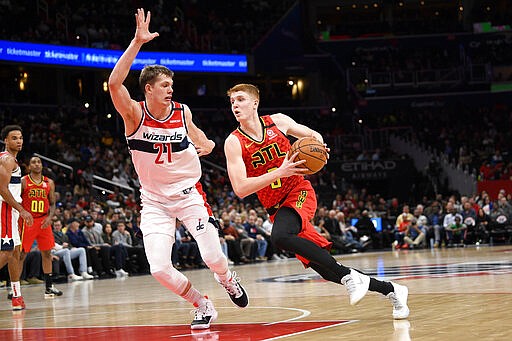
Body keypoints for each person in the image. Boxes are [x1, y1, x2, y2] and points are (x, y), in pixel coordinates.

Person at [108, 8, 247, 329]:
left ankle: (226, 278)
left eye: (172, 84)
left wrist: (208, 144)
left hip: (188, 194)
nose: (171, 89)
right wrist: (137, 42)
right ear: (149, 89)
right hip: (154, 201)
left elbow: (201, 139)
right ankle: (202, 303)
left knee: (212, 256)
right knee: (158, 267)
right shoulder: (134, 115)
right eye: (165, 85)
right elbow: (115, 83)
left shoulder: (182, 111)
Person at [224, 84, 409, 319]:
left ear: (255, 103)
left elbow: (313, 136)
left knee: (279, 237)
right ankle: (392, 290)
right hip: (275, 207)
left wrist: (319, 149)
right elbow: (240, 188)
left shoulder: (277, 122)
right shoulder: (234, 142)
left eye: (240, 99)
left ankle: (350, 277)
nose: (235, 105)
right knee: (326, 269)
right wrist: (280, 171)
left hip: (298, 191)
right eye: (232, 102)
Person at [17, 156, 63, 299]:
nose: (37, 164)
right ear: (29, 166)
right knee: (21, 254)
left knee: (47, 254)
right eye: (33, 162)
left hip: (43, 221)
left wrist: (50, 218)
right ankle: (15, 288)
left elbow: (53, 203)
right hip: (28, 221)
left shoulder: (49, 182)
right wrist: (22, 213)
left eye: (39, 162)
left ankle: (49, 287)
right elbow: (16, 201)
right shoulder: (23, 181)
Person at [0, 125, 34, 310]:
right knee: (6, 251)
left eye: (20, 137)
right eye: (14, 138)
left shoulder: (11, 160)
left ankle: (16, 295)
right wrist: (22, 209)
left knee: (15, 252)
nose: (19, 141)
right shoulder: (6, 160)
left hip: (9, 209)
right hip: (5, 208)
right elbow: (2, 189)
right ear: (5, 140)